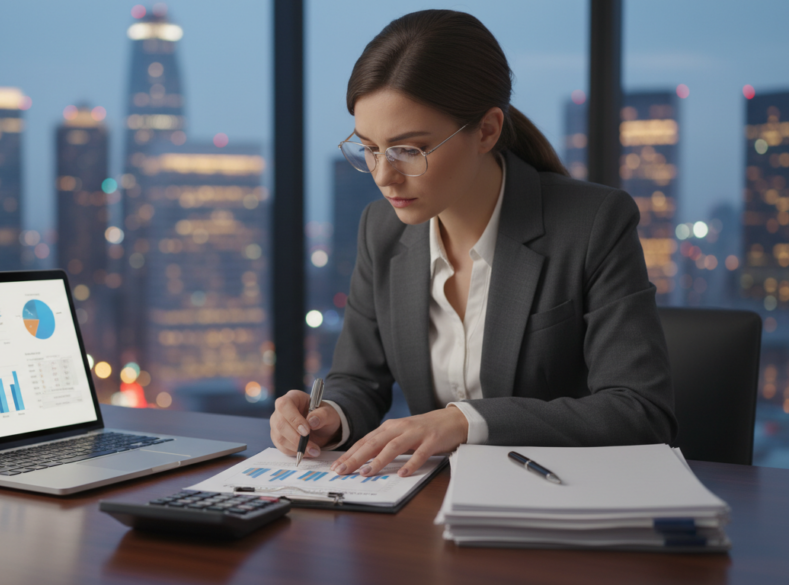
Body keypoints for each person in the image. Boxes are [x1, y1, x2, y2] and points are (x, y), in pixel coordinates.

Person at [269, 9, 676, 480]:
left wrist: (466, 421)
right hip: (431, 508)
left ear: (486, 130)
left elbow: (640, 410)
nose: (383, 175)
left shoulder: (591, 224)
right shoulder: (380, 229)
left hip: (557, 502)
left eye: (408, 150)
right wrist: (329, 418)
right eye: (369, 148)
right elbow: (359, 379)